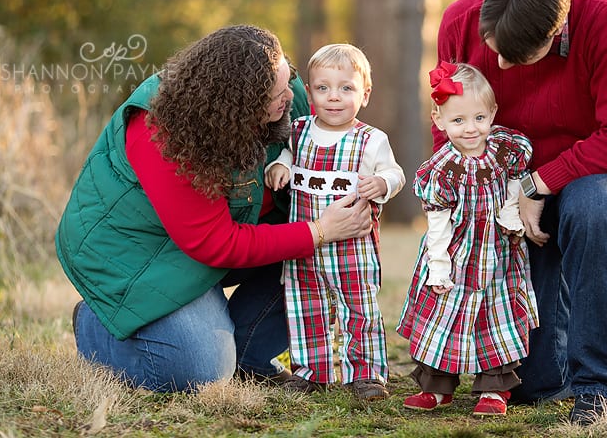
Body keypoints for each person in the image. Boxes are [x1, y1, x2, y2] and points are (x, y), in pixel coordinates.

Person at [55, 25, 373, 393]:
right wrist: (317, 231)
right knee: (199, 370)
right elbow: (214, 242)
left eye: (288, 80)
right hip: (135, 254)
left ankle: (251, 358)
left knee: (321, 254)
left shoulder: (287, 93)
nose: (291, 96)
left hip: (214, 239)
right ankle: (96, 324)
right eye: (277, 93)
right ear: (239, 105)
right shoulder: (163, 132)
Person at [434, 0, 607, 425]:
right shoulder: (459, 21)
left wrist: (540, 183)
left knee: (592, 212)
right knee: (535, 383)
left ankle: (600, 387)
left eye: (514, 58)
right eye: (494, 50)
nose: (498, 67)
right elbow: (449, 131)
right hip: (511, 178)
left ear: (557, 33)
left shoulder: (603, 14)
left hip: (606, 165)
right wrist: (463, 203)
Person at [265, 43, 405, 400]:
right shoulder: (298, 131)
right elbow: (283, 155)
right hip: (305, 247)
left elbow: (396, 173)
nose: (334, 97)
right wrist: (279, 166)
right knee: (304, 307)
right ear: (309, 92)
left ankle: (366, 374)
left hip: (352, 250)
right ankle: (312, 371)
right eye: (323, 88)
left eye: (346, 88)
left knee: (359, 311)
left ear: (365, 94)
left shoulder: (371, 140)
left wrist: (383, 183)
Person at [397, 62, 538, 417]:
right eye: (458, 121)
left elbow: (515, 180)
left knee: (496, 317)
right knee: (445, 319)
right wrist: (439, 265)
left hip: (499, 256)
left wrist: (509, 215)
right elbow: (438, 221)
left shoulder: (505, 149)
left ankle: (494, 390)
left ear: (491, 113)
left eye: (478, 118)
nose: (470, 129)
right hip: (456, 255)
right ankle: (437, 386)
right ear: (440, 120)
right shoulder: (442, 167)